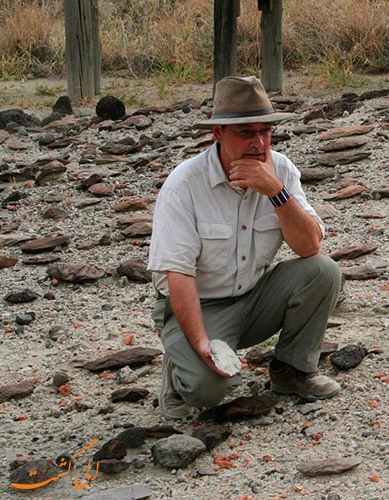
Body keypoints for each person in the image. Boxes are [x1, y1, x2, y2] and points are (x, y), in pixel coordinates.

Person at [147, 75, 342, 419]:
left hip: (253, 299)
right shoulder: (184, 185)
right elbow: (178, 276)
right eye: (245, 132)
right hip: (197, 306)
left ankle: (291, 371)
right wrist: (200, 345)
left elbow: (310, 246)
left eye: (265, 131)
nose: (259, 143)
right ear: (218, 134)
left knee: (323, 271)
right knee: (207, 392)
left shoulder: (281, 170)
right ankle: (178, 371)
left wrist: (277, 193)